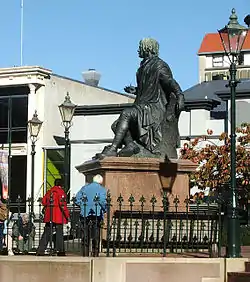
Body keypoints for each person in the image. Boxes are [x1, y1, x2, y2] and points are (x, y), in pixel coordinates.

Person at [96, 38, 185, 159]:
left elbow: (169, 82)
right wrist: (136, 90)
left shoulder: (159, 65)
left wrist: (180, 94)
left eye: (140, 47)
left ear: (147, 48)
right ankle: (131, 145)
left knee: (126, 114)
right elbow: (147, 88)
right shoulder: (142, 68)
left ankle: (113, 149)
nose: (138, 50)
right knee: (116, 125)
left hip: (153, 107)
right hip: (142, 106)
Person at [75, 174, 107, 257]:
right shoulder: (102, 189)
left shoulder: (84, 188)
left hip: (85, 213)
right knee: (95, 234)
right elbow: (103, 201)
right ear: (100, 182)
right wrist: (105, 209)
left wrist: (82, 205)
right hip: (96, 213)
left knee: (85, 234)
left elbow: (77, 199)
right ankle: (95, 252)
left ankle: (85, 253)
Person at [36, 179, 69, 256]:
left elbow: (43, 201)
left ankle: (41, 250)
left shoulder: (49, 191)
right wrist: (67, 215)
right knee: (59, 233)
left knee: (47, 233)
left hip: (49, 215)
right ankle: (60, 250)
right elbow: (63, 204)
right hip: (58, 216)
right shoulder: (61, 192)